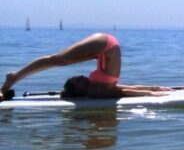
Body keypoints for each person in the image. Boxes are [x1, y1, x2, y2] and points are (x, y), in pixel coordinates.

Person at [2, 33, 170, 100]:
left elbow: (122, 89)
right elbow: (124, 90)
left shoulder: (96, 88)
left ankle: (14, 77)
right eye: (77, 81)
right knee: (57, 60)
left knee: (58, 60)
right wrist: (152, 91)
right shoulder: (97, 90)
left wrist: (154, 89)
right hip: (105, 47)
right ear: (80, 90)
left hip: (104, 47)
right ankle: (14, 77)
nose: (80, 77)